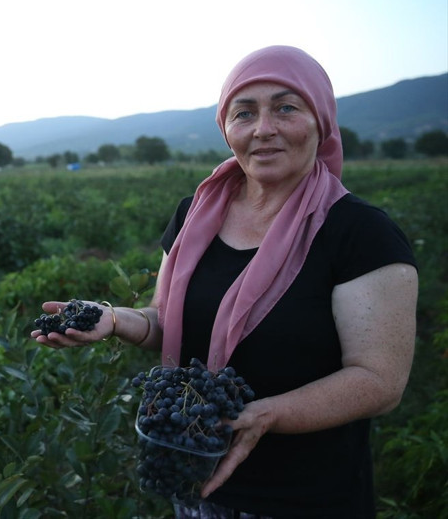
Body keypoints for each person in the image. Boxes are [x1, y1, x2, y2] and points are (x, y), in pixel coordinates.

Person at [29, 45, 418, 518]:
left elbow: (379, 381)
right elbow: (164, 322)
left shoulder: (360, 233)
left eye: (286, 108)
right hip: (193, 481)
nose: (263, 129)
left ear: (322, 121)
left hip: (306, 496)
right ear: (225, 128)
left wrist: (266, 415)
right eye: (244, 113)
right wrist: (112, 319)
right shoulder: (195, 215)